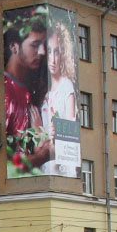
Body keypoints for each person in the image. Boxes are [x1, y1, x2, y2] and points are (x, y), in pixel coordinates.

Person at [4, 11, 52, 173]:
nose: (42, 52)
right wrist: (41, 156)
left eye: (44, 45)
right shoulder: (4, 92)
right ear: (14, 47)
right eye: (35, 45)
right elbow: (4, 167)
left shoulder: (29, 90)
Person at [40, 22, 78, 177]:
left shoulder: (67, 88)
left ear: (64, 53)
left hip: (62, 168)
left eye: (57, 52)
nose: (53, 59)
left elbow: (71, 132)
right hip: (47, 166)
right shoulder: (46, 92)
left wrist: (57, 133)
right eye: (49, 51)